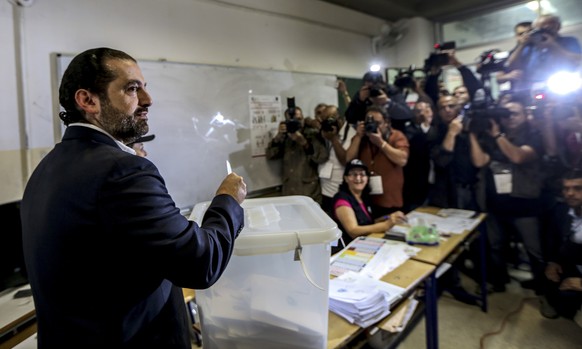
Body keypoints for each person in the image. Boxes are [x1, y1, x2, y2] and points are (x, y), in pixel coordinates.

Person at [20, 48, 247, 348]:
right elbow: (201, 263)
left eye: (144, 87)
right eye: (132, 89)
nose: (147, 100)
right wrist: (227, 200)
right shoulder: (122, 172)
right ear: (88, 101)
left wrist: (123, 157)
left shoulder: (48, 166)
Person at [469, 97, 544, 293]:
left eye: (515, 113)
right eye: (506, 114)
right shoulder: (492, 138)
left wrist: (497, 135)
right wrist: (473, 135)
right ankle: (498, 280)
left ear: (526, 115)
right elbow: (480, 162)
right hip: (495, 203)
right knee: (496, 246)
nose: (510, 117)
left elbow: (518, 156)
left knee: (534, 249)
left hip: (524, 204)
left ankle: (543, 286)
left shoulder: (533, 135)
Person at [331, 159, 406, 254]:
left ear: (367, 178)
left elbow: (369, 222)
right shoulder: (341, 199)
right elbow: (353, 231)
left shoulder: (363, 197)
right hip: (348, 250)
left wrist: (389, 217)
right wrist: (386, 225)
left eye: (362, 174)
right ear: (346, 178)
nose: (358, 178)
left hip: (365, 243)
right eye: (353, 174)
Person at [346, 106, 409, 217]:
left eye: (378, 123)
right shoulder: (362, 138)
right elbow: (349, 160)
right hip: (366, 197)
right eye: (369, 122)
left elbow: (402, 160)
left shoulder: (396, 136)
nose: (373, 126)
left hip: (390, 200)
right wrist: (358, 136)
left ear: (387, 122)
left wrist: (381, 143)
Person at [266, 104, 329, 204]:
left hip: (309, 192)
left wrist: (304, 143)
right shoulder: (285, 136)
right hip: (289, 192)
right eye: (292, 120)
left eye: (299, 119)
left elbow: (322, 157)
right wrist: (278, 137)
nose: (296, 123)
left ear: (303, 119)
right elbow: (270, 155)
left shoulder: (312, 134)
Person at [506, 14, 581, 92]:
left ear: (558, 27)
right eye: (541, 28)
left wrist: (553, 45)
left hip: (563, 85)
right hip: (532, 88)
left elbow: (577, 60)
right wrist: (522, 45)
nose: (545, 30)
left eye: (549, 27)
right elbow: (511, 65)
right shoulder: (529, 47)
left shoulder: (569, 41)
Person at [544, 169, 582, 322]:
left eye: (578, 188)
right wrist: (553, 261)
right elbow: (552, 239)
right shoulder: (562, 210)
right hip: (574, 261)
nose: (570, 193)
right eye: (566, 188)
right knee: (547, 276)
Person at [318, 105, 357, 215]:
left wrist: (333, 139)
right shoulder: (325, 130)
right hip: (324, 188)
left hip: (340, 189)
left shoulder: (351, 134)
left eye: (330, 119)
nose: (328, 123)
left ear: (340, 118)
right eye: (324, 120)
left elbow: (345, 160)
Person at [344, 71, 413, 132]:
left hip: (392, 133)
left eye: (375, 87)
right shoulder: (363, 94)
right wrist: (360, 101)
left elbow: (407, 114)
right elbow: (350, 119)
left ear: (383, 84)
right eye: (369, 88)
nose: (373, 90)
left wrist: (388, 102)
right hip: (368, 133)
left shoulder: (392, 92)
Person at [403, 101, 438, 211]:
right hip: (417, 180)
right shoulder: (409, 130)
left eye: (426, 110)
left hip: (437, 180)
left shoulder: (438, 128)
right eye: (419, 111)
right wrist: (424, 126)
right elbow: (415, 147)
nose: (423, 114)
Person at [495, 21, 533, 89]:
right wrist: (509, 76)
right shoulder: (511, 54)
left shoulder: (544, 48)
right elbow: (499, 78)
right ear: (516, 36)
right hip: (521, 91)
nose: (525, 35)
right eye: (521, 34)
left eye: (529, 32)